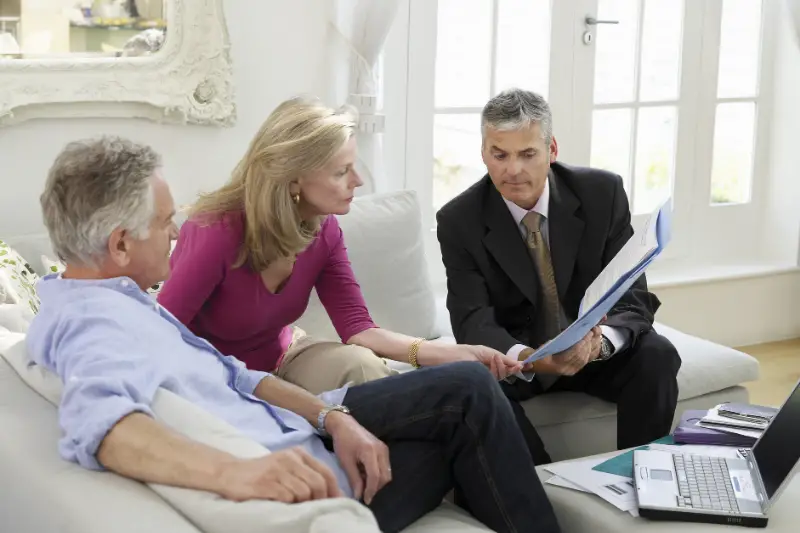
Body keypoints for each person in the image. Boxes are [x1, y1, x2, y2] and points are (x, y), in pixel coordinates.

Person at [27, 136, 561, 533]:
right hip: (304, 475)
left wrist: (333, 417)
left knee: (468, 386)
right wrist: (238, 474)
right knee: (469, 401)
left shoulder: (116, 299)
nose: (174, 232)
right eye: (165, 222)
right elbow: (101, 423)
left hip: (305, 425)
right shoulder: (90, 323)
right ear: (120, 245)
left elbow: (238, 376)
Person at [157, 96, 521, 395]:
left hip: (285, 356)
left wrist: (447, 353)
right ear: (294, 179)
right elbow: (159, 331)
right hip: (215, 372)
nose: (358, 181)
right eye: (341, 171)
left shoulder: (324, 230)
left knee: (364, 367)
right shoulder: (215, 231)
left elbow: (358, 328)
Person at [436, 88, 682, 465]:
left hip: (590, 353)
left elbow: (633, 296)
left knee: (657, 355)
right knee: (474, 382)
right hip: (521, 364)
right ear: (484, 153)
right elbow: (472, 321)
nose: (512, 169)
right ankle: (545, 490)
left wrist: (597, 346)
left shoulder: (603, 193)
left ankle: (643, 474)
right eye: (499, 155)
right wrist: (532, 359)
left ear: (551, 150)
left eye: (527, 154)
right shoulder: (459, 220)